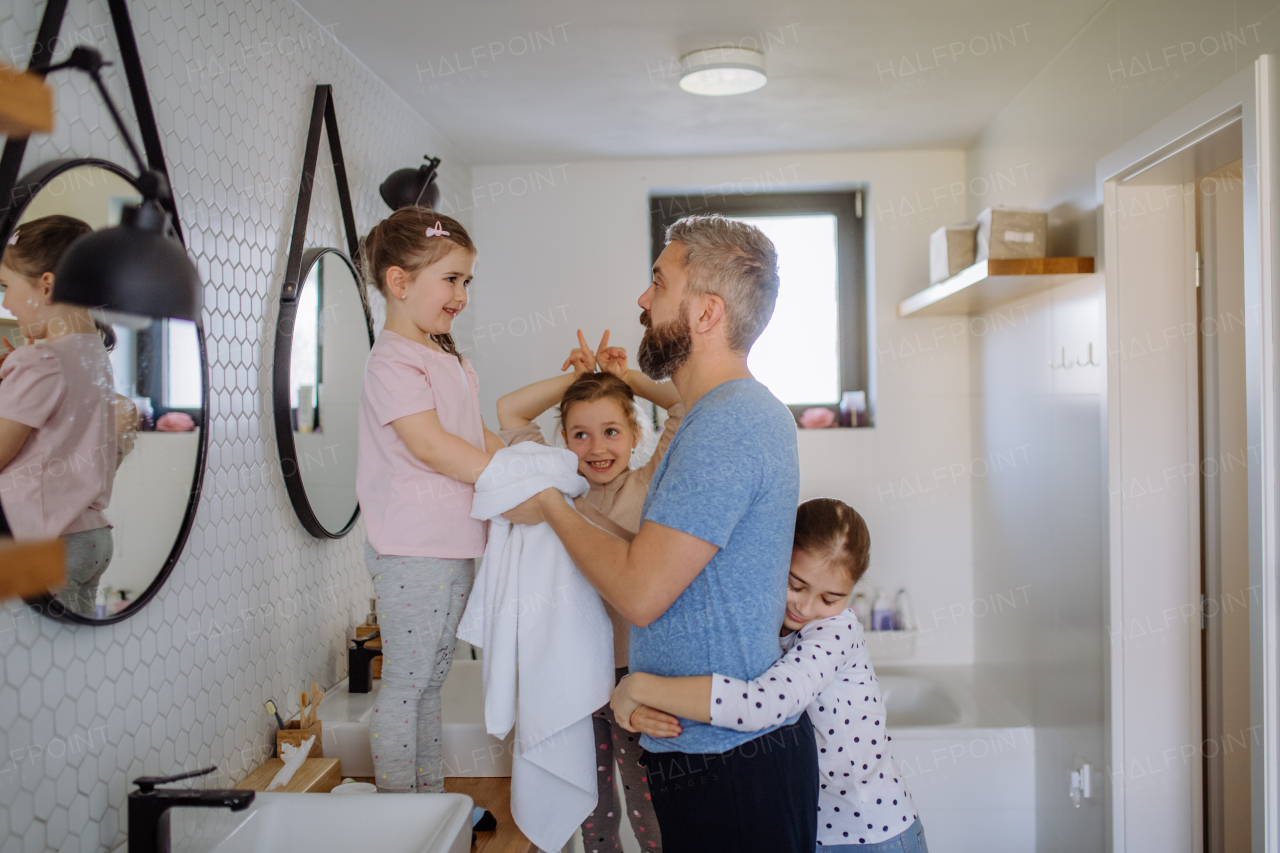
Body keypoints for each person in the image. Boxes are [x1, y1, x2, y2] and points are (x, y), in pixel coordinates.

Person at [502, 215, 814, 852]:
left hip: (729, 766)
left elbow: (641, 592)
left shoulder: (727, 425)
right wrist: (634, 690)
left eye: (657, 283)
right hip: (708, 746)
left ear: (704, 312)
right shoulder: (722, 417)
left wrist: (550, 503)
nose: (642, 301)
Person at [610, 499, 927, 852]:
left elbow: (760, 704)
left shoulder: (836, 633)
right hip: (819, 829)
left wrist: (636, 686)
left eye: (830, 598)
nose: (806, 607)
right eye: (796, 584)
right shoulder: (769, 618)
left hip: (872, 835)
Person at [496, 329, 683, 852]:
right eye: (580, 435)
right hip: (575, 672)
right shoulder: (555, 490)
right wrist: (575, 381)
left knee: (645, 798)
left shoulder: (649, 484)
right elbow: (510, 411)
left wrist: (627, 380)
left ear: (633, 434)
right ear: (562, 439)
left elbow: (684, 403)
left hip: (634, 672)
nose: (597, 448)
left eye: (610, 432)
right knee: (593, 803)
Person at [356, 207, 505, 794]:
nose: (461, 294)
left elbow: (470, 436)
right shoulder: (392, 360)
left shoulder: (447, 357)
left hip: (451, 545)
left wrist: (520, 465)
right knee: (407, 684)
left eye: (467, 281)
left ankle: (429, 799)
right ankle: (400, 809)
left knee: (431, 682)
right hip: (411, 552)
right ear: (399, 282)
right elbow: (431, 446)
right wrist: (502, 479)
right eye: (451, 279)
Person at [0, 215, 118, 617]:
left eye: (6, 286)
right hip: (90, 539)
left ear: (46, 286)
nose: (5, 303)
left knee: (23, 669)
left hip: (45, 542)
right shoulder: (94, 355)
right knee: (71, 667)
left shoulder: (41, 361)